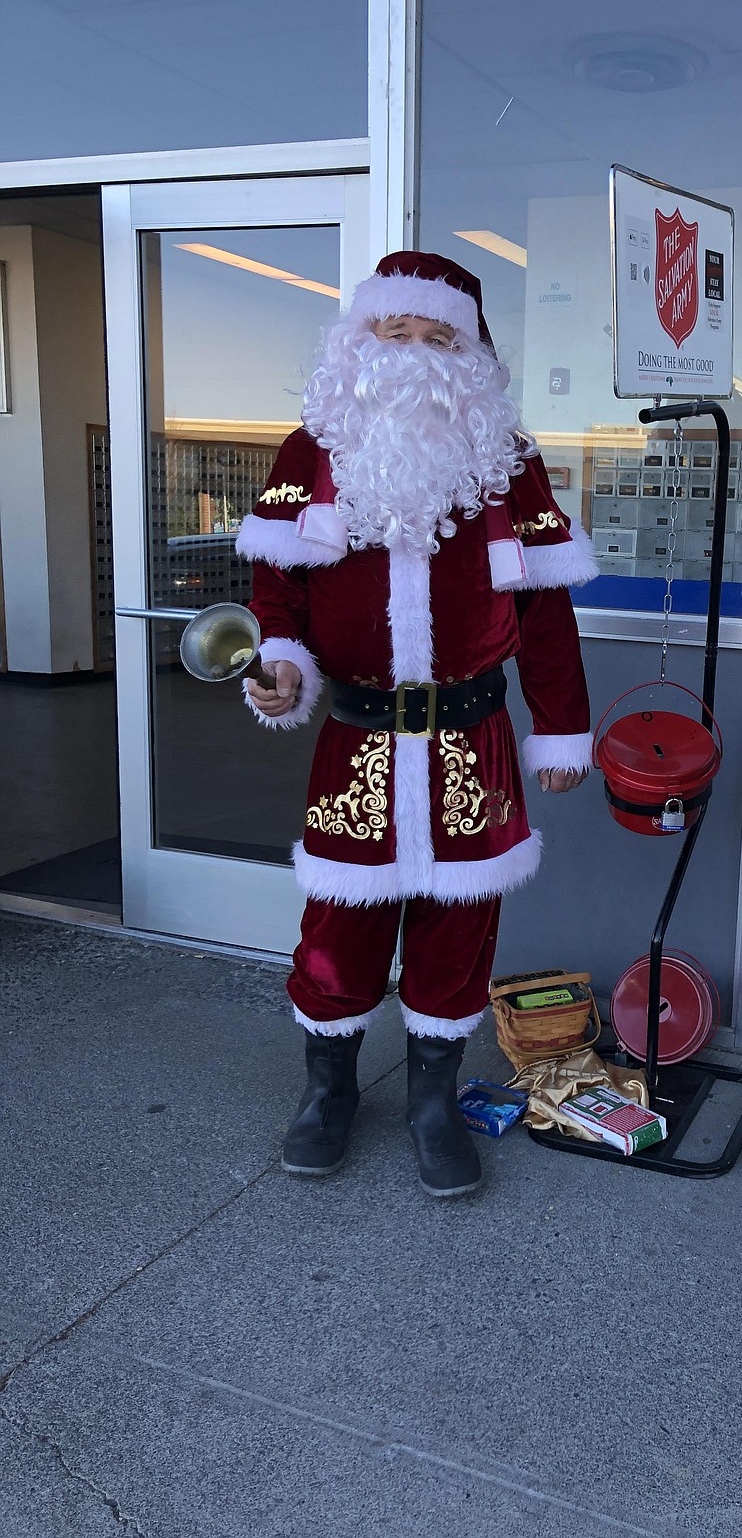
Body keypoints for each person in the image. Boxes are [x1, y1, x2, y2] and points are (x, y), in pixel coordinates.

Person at [236, 251, 596, 1196]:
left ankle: (435, 1100)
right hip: (352, 734)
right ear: (359, 340)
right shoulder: (311, 449)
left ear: (470, 359)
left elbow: (548, 614)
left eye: (438, 338)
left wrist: (561, 727)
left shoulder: (506, 463)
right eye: (395, 332)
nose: (412, 354)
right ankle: (330, 1092)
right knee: (338, 927)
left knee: (459, 925)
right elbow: (277, 588)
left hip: (471, 740)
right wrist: (281, 665)